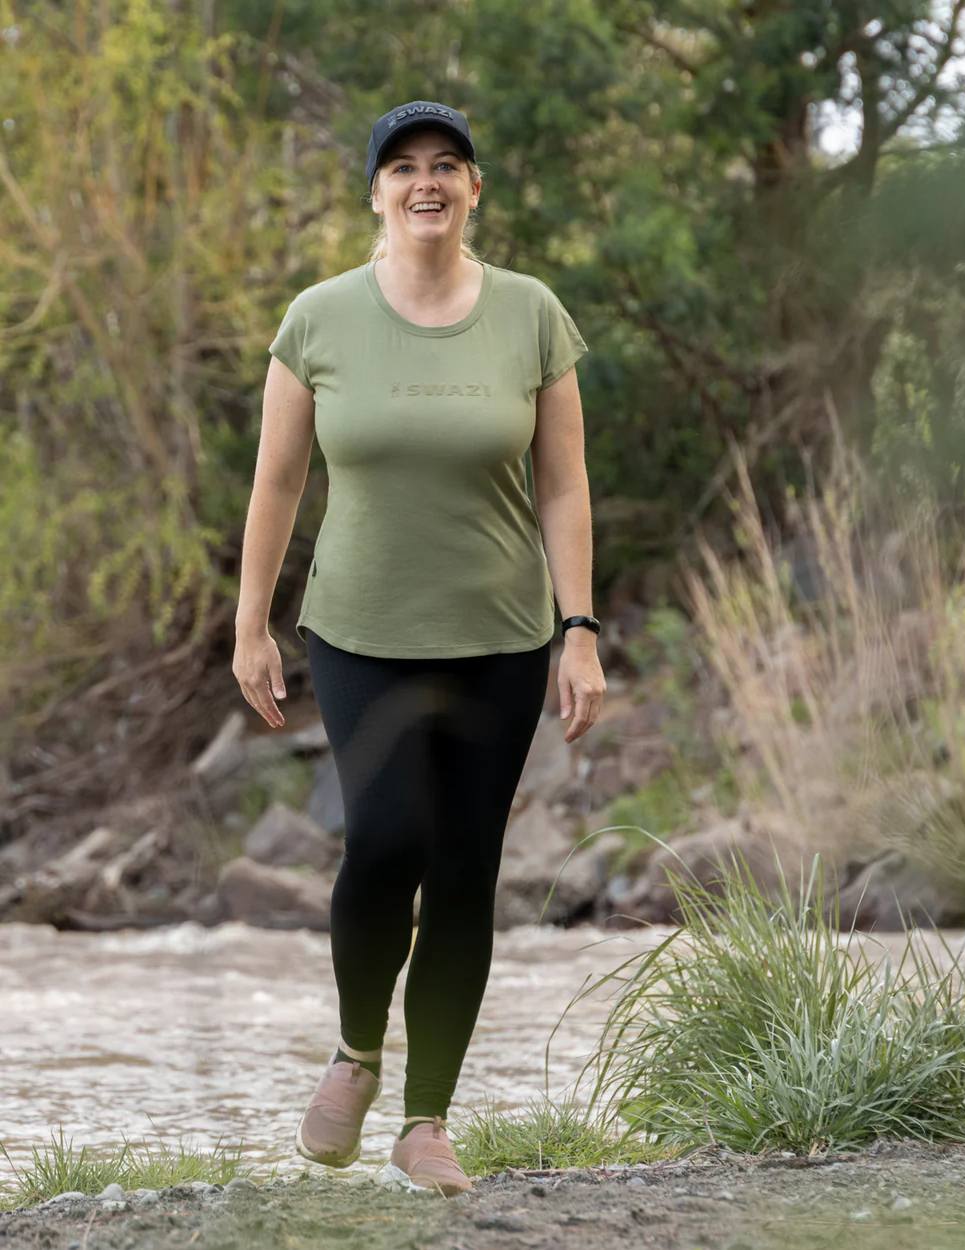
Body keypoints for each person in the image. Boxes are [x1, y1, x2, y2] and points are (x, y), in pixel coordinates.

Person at [233, 99, 606, 1197]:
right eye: (404, 168)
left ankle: (425, 1118)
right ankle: (357, 1049)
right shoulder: (319, 318)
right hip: (360, 628)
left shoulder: (532, 314)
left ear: (475, 189)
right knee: (386, 837)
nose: (426, 182)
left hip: (498, 632)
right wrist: (250, 619)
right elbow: (278, 481)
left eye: (447, 165)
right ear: (377, 192)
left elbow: (565, 482)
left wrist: (577, 628)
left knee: (464, 874)